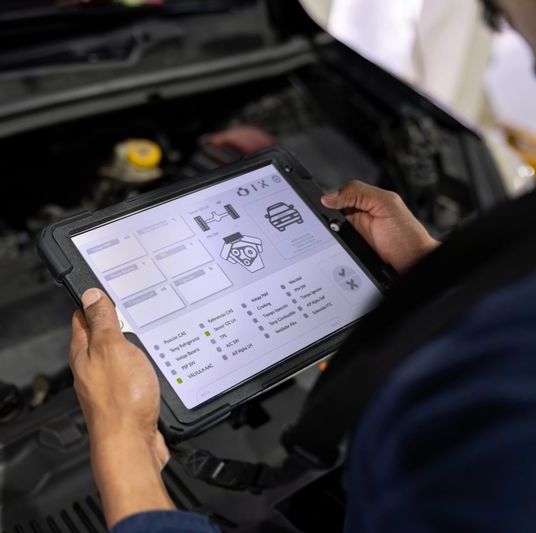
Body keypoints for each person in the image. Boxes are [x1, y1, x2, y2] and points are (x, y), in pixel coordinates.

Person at [68, 1, 536, 531]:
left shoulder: (508, 430)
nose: (501, 27)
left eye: (504, 14)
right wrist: (429, 271)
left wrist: (121, 439)